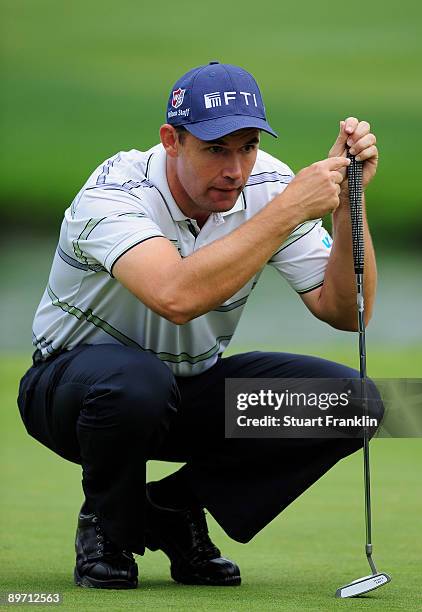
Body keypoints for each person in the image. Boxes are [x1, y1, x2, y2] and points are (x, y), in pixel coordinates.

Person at [17, 61, 382, 590]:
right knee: (135, 382)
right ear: (171, 140)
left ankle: (172, 508)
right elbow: (175, 296)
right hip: (72, 394)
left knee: (349, 403)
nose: (236, 169)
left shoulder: (269, 184)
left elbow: (349, 312)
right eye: (216, 149)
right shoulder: (115, 191)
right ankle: (108, 527)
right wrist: (285, 212)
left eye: (248, 146)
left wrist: (349, 201)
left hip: (186, 393)